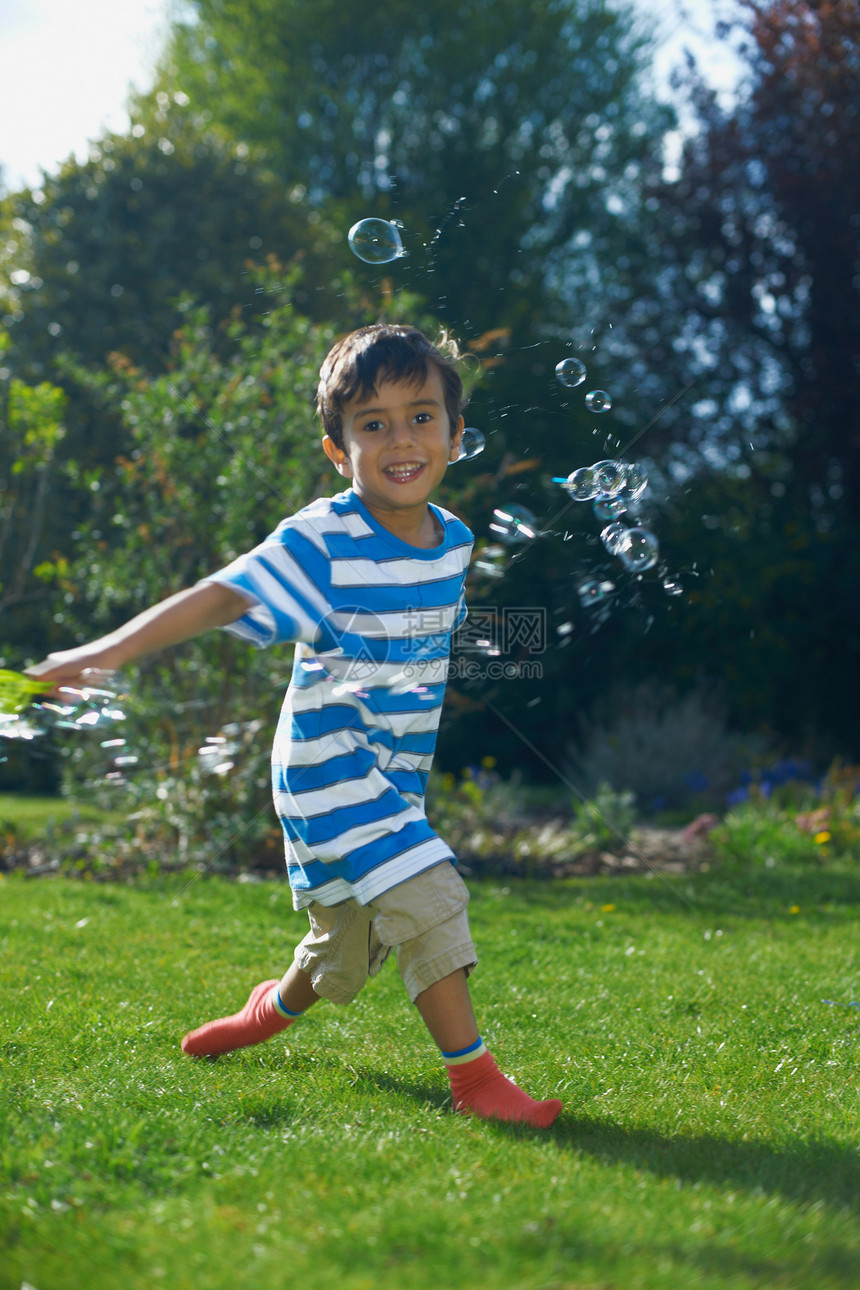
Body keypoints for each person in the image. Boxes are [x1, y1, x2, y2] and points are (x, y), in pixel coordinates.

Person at [28, 324, 562, 1128]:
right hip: (326, 765)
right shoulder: (322, 538)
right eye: (372, 424)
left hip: (391, 771)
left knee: (344, 946)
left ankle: (269, 1008)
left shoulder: (452, 543)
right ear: (337, 449)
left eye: (421, 416)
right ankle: (476, 1081)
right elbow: (225, 594)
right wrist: (108, 651)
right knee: (426, 895)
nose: (401, 439)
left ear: (456, 434)